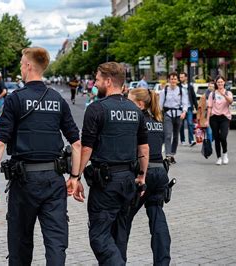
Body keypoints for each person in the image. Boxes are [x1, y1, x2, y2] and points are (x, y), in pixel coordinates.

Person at [0, 47, 82, 265]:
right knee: (56, 242)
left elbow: (0, 142)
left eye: (21, 63)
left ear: (29, 66)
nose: (21, 67)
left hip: (24, 182)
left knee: (20, 242)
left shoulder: (15, 99)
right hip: (54, 181)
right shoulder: (57, 99)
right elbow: (76, 143)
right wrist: (75, 178)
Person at [74, 62, 149, 264]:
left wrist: (75, 176)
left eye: (97, 79)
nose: (94, 83)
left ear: (108, 81)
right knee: (119, 236)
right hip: (129, 181)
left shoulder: (97, 109)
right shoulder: (135, 110)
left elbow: (86, 149)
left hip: (106, 183)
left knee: (99, 237)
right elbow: (144, 148)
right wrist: (142, 176)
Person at [126, 88, 171, 265]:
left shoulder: (137, 120)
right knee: (157, 216)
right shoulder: (158, 119)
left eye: (129, 101)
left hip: (144, 173)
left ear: (140, 104)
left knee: (124, 218)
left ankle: (117, 259)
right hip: (160, 172)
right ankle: (162, 262)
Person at [158, 72, 189, 164]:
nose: (173, 81)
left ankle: (172, 153)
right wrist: (158, 114)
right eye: (171, 79)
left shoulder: (181, 91)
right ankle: (168, 155)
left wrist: (184, 112)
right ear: (168, 80)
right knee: (167, 135)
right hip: (168, 114)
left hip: (178, 114)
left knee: (176, 136)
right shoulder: (164, 91)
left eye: (175, 79)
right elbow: (160, 104)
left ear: (177, 80)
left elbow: (185, 103)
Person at [206, 76, 233, 165]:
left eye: (221, 82)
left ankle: (225, 153)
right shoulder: (212, 94)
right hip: (214, 118)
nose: (220, 83)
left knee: (223, 137)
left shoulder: (228, 92)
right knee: (216, 138)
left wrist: (223, 95)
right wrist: (207, 120)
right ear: (216, 83)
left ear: (224, 82)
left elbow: (231, 101)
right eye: (218, 82)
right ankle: (218, 157)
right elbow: (209, 107)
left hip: (225, 117)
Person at [179, 71, 198, 147]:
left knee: (190, 123)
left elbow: (194, 97)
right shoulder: (178, 86)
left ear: (186, 77)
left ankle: (191, 140)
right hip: (180, 108)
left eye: (182, 77)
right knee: (181, 125)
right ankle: (183, 140)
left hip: (189, 107)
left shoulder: (190, 87)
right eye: (180, 77)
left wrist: (197, 108)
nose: (181, 78)